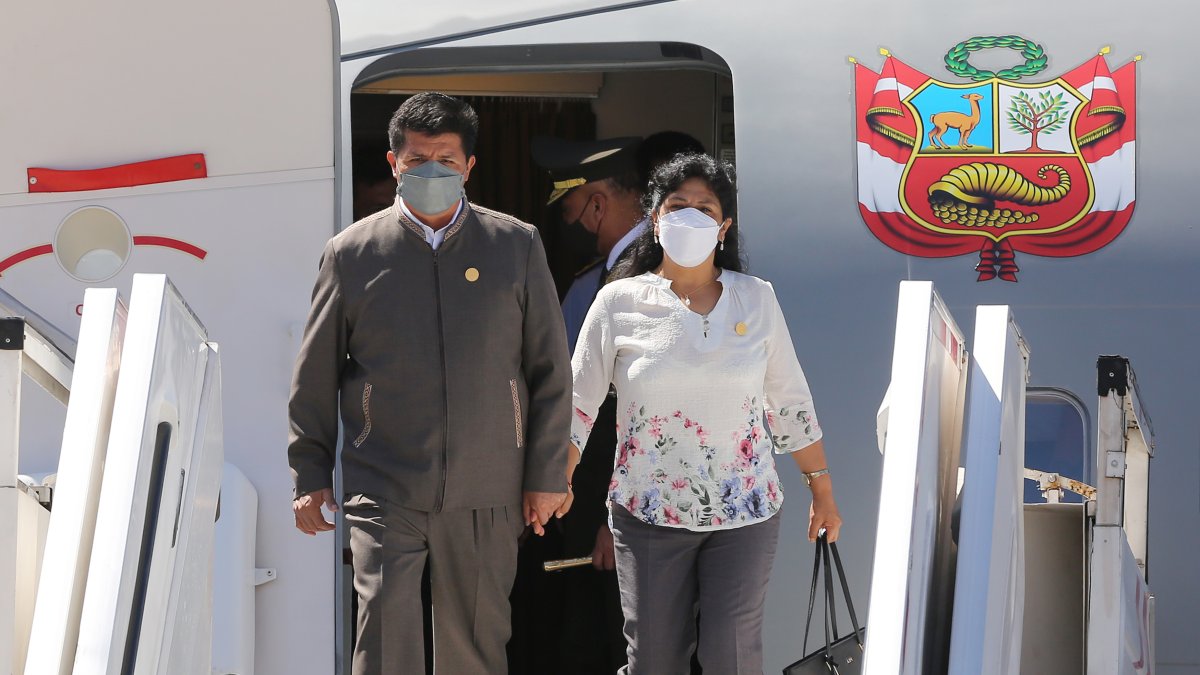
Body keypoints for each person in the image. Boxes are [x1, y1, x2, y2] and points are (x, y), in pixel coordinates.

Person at [287, 91, 572, 675]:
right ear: (394, 164)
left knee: (474, 643)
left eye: (446, 159)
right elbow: (315, 373)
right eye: (417, 160)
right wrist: (310, 473)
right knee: (385, 635)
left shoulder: (515, 246)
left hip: (487, 487)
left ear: (470, 166)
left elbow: (549, 370)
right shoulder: (353, 253)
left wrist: (545, 474)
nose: (431, 171)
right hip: (384, 481)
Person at [564, 152, 843, 674]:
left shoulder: (756, 299)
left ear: (724, 227)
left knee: (730, 658)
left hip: (745, 511)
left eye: (704, 208)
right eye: (677, 205)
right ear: (654, 219)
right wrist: (556, 478)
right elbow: (577, 403)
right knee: (654, 661)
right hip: (648, 513)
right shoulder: (618, 302)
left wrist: (821, 492)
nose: (690, 216)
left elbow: (789, 401)